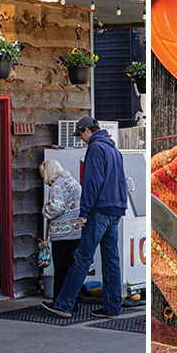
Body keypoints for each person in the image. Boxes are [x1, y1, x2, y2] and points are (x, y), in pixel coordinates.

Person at [42, 116, 128, 319]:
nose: (81, 139)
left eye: (81, 135)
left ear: (87, 130)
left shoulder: (96, 148)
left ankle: (64, 304)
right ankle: (112, 307)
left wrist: (84, 211)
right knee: (111, 260)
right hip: (116, 209)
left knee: (82, 258)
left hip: (98, 210)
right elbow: (121, 180)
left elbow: (92, 182)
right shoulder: (114, 149)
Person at [39, 159, 82, 301]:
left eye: (42, 174)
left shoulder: (57, 186)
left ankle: (60, 301)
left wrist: (45, 209)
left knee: (61, 270)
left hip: (62, 233)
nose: (42, 178)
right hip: (76, 231)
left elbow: (56, 207)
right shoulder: (71, 181)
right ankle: (72, 301)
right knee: (72, 269)